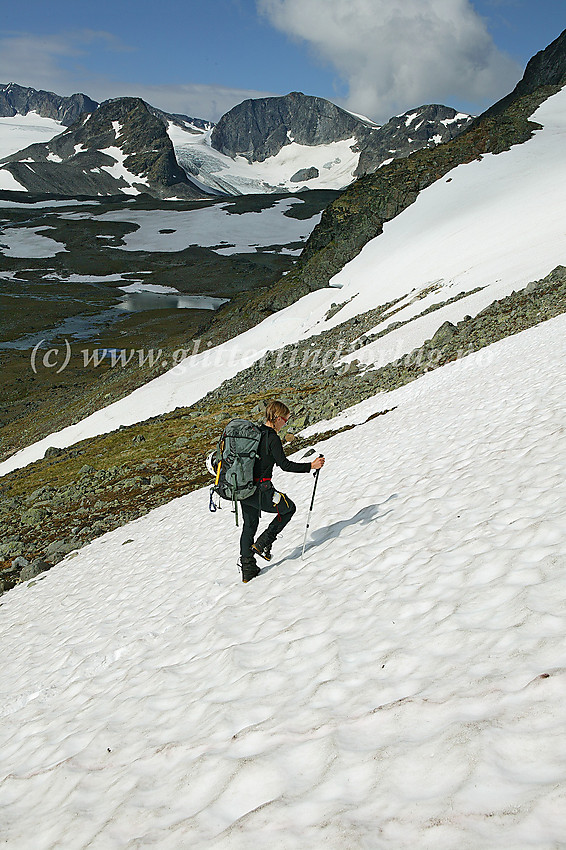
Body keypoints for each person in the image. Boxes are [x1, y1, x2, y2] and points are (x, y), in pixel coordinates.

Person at [239, 400, 325, 583]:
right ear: (277, 418)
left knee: (249, 526)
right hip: (262, 490)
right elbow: (285, 465)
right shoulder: (271, 438)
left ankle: (247, 570)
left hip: (244, 489)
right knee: (288, 508)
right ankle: (263, 544)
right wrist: (311, 465)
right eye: (285, 419)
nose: (286, 423)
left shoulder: (254, 434)